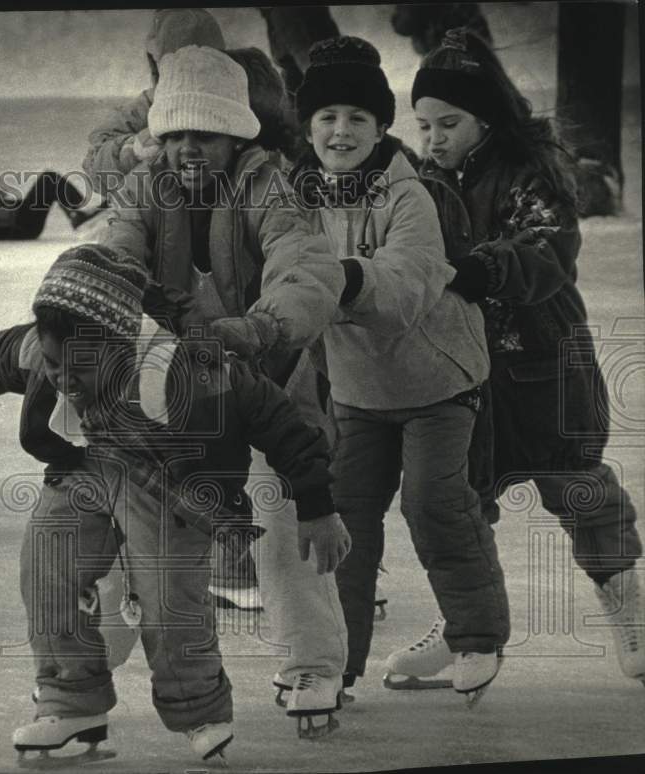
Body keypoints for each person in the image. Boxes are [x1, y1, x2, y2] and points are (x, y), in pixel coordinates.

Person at [0, 244, 343, 763]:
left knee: (167, 592)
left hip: (172, 481)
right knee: (46, 563)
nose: (62, 378)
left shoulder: (193, 370)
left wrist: (317, 506)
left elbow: (281, 423)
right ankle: (72, 701)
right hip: (88, 465)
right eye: (54, 363)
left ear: (119, 346)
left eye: (78, 368)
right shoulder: (45, 349)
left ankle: (199, 709)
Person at [104, 45, 354, 731]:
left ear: (236, 134)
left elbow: (306, 272)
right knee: (122, 521)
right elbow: (110, 261)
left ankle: (313, 668)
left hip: (271, 378)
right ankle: (80, 667)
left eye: (204, 136)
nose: (188, 149)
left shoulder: (273, 189)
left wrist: (254, 331)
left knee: (283, 526)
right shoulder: (140, 192)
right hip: (171, 391)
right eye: (175, 135)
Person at [393, 27, 643, 686]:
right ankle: (467, 629)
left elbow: (546, 254)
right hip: (468, 376)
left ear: (486, 117)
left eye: (449, 123)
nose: (434, 138)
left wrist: (474, 268)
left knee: (579, 486)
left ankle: (629, 609)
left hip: (545, 365)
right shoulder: (421, 184)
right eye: (423, 126)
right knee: (458, 504)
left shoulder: (533, 176)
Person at [287, 34, 510, 704]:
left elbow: (407, 285)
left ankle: (475, 638)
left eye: (358, 117)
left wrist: (334, 278)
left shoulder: (410, 195)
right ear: (308, 127)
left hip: (439, 382)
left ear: (382, 126)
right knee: (343, 519)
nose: (341, 130)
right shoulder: (293, 194)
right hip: (358, 391)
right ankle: (334, 662)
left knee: (432, 502)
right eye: (327, 117)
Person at [81, 8, 225, 198]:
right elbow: (94, 166)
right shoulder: (147, 106)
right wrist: (133, 150)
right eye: (181, 63)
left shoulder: (237, 103)